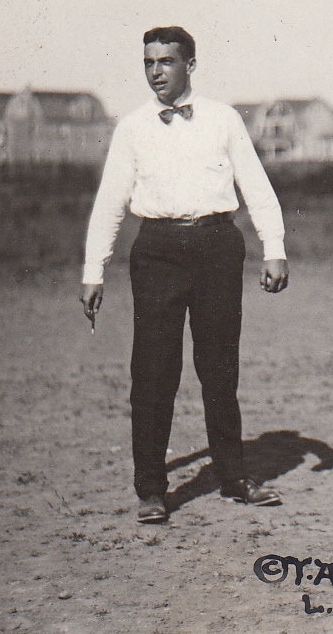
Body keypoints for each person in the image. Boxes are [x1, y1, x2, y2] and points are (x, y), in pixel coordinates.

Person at [80, 26, 291, 524]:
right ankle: (151, 489)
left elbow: (255, 184)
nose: (156, 72)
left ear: (190, 66)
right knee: (153, 372)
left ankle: (234, 477)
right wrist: (94, 271)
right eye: (149, 62)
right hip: (157, 251)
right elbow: (110, 202)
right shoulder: (132, 128)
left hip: (217, 245)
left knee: (219, 368)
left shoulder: (223, 119)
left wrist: (274, 247)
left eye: (167, 62)